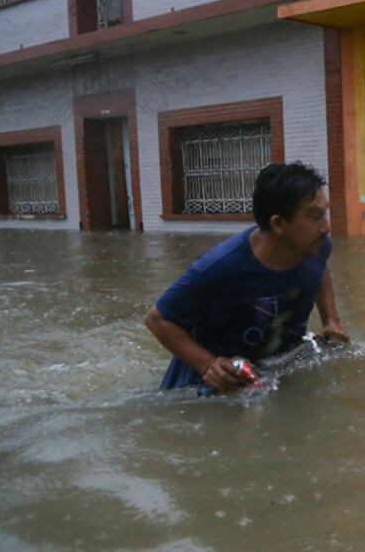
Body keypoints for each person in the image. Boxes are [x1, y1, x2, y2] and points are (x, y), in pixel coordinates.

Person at [145, 162, 350, 393]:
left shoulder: (315, 246)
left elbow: (320, 269)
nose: (326, 227)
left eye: (325, 213)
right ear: (279, 224)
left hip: (274, 375)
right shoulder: (220, 267)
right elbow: (158, 319)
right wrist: (208, 364)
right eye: (315, 216)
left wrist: (331, 320)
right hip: (206, 392)